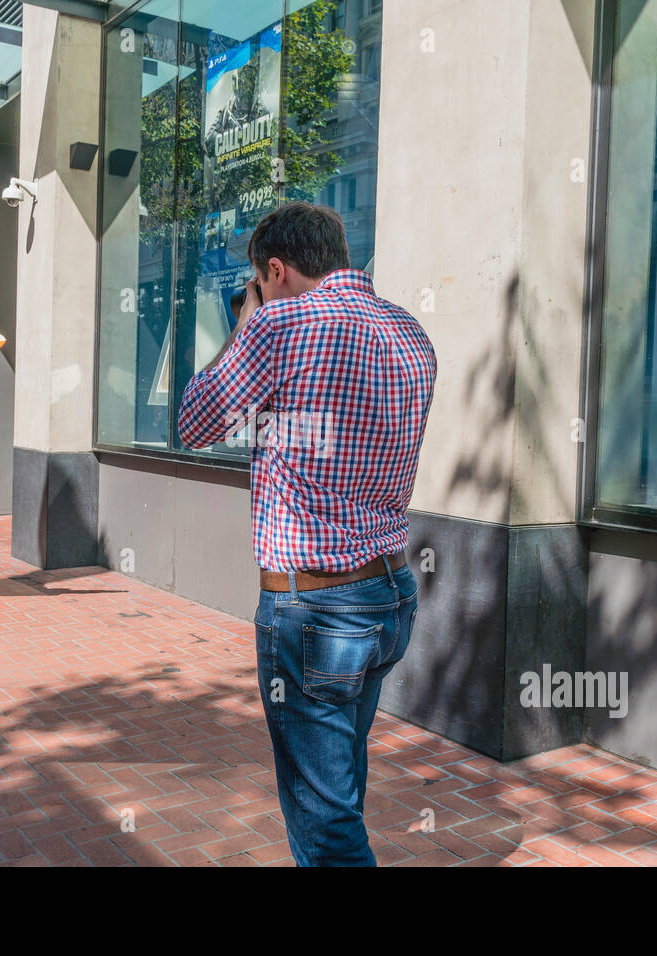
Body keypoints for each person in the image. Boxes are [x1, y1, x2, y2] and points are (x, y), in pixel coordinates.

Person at [177, 202, 437, 866]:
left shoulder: (280, 325)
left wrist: (245, 323)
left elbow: (197, 421)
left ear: (276, 269)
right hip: (388, 593)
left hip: (316, 607)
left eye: (258, 282)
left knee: (324, 820)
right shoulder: (407, 330)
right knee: (339, 783)